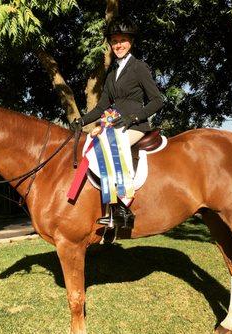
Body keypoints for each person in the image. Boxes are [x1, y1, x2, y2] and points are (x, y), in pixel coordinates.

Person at [70, 16, 165, 229]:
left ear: (130, 42)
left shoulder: (139, 67)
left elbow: (158, 100)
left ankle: (124, 209)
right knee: (93, 149)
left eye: (122, 40)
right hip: (115, 125)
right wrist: (82, 120)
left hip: (135, 126)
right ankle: (105, 206)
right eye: (114, 41)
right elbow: (102, 106)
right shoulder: (112, 73)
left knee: (114, 146)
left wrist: (136, 117)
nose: (118, 45)